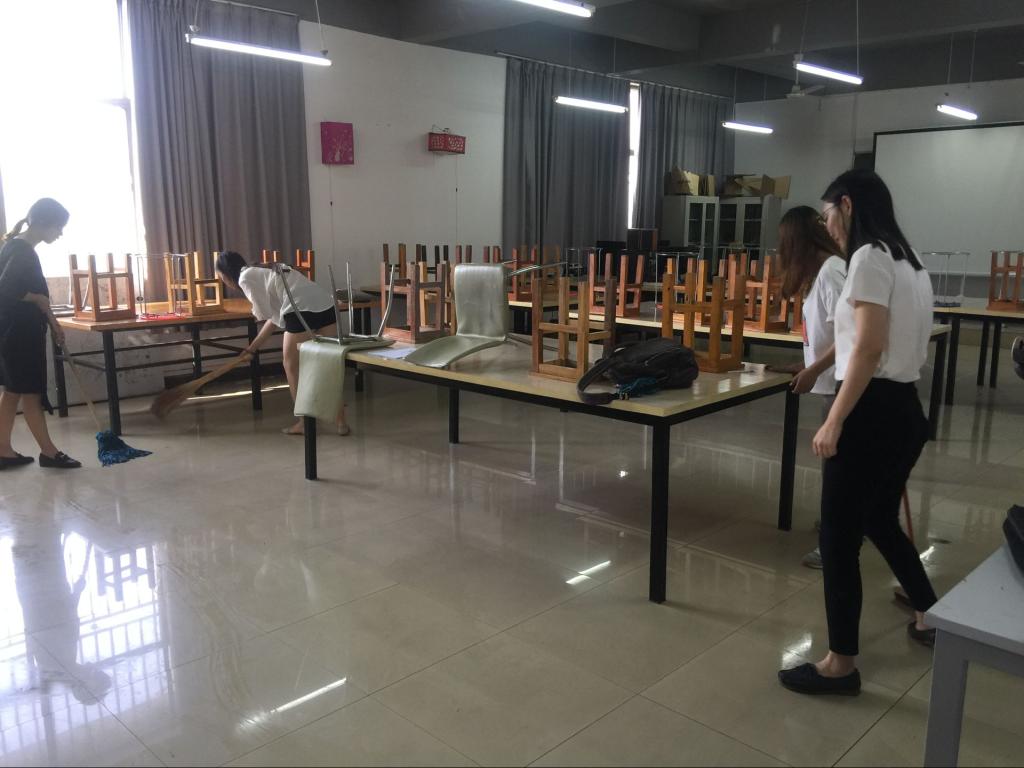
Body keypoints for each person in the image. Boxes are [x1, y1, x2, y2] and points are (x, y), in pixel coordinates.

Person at [779, 169, 938, 696]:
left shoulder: (868, 257)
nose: (827, 225)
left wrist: (835, 419)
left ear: (846, 205)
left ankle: (839, 664)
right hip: (904, 410)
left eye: (828, 214)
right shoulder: (909, 260)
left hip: (870, 412)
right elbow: (865, 343)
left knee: (838, 538)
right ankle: (927, 609)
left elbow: (868, 348)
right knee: (878, 519)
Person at [771, 207, 847, 570]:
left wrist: (815, 369)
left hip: (840, 385)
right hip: (831, 381)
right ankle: (841, 527)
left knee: (838, 468)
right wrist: (807, 364)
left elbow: (852, 335)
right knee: (837, 466)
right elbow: (828, 332)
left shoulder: (832, 271)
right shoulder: (824, 272)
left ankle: (835, 543)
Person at [215, 251, 348, 436]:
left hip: (300, 308)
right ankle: (341, 422)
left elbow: (262, 313)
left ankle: (304, 422)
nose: (224, 282)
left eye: (221, 278)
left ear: (227, 274)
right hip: (326, 305)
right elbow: (274, 320)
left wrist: (253, 313)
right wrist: (252, 349)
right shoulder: (261, 270)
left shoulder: (245, 278)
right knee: (329, 364)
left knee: (291, 366)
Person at [0, 198, 81, 469]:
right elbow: (6, 288)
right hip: (19, 335)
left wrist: (54, 323)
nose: (60, 233)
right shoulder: (22, 251)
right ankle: (49, 452)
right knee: (31, 393)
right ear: (44, 223)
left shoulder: (16, 246)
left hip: (13, 332)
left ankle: (3, 450)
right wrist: (35, 298)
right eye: (58, 227)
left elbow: (38, 298)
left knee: (12, 392)